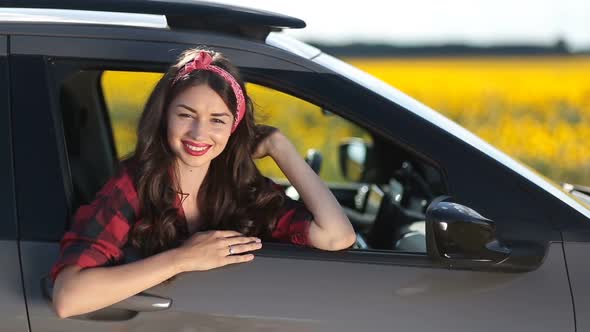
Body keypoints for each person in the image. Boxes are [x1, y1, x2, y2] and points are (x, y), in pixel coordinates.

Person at [50, 47, 356, 318]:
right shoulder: (132, 185)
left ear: (234, 127)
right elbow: (68, 298)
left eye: (217, 120)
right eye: (186, 114)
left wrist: (279, 146)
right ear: (164, 117)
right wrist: (183, 259)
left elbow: (336, 237)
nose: (199, 134)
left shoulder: (242, 186)